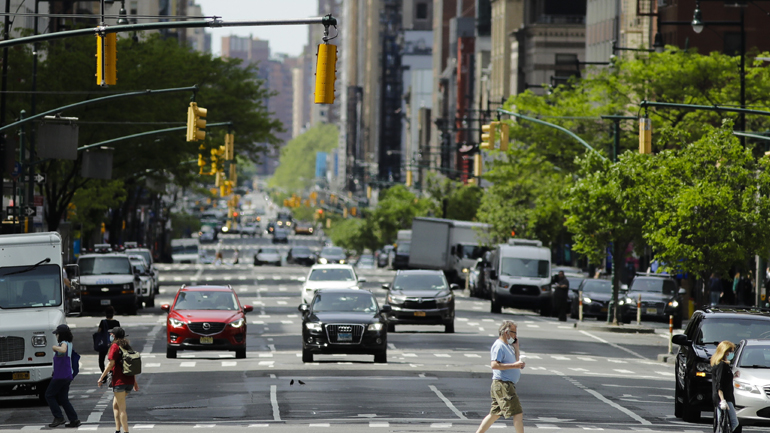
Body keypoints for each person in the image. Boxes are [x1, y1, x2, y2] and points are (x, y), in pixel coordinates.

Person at [475, 320, 526, 433]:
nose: (515, 336)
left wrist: (516, 348)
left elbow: (515, 362)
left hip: (504, 384)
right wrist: (514, 365)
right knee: (517, 412)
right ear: (506, 332)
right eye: (513, 333)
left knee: (495, 414)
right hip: (503, 384)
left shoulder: (507, 346)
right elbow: (494, 365)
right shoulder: (499, 346)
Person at [97, 327, 139, 433]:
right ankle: (117, 430)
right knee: (115, 405)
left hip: (119, 381)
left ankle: (126, 431)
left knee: (122, 408)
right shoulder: (127, 346)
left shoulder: (115, 347)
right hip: (129, 381)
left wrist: (101, 378)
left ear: (114, 336)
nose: (110, 336)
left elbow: (111, 364)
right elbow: (131, 365)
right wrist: (134, 382)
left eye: (111, 334)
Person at [46, 324, 80, 428]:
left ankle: (59, 417)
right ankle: (73, 419)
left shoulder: (63, 343)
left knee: (49, 395)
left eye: (57, 333)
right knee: (63, 398)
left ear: (61, 334)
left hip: (61, 375)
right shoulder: (69, 343)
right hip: (67, 374)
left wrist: (54, 347)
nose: (56, 335)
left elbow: (63, 350)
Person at [711, 340, 739, 433]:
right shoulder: (721, 365)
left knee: (721, 421)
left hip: (723, 397)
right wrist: (723, 400)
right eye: (729, 351)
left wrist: (733, 375)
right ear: (724, 351)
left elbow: (723, 379)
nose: (730, 354)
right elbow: (719, 384)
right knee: (733, 422)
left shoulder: (719, 363)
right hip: (724, 398)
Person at [97, 306, 121, 372]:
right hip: (114, 344)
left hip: (104, 343)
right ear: (113, 313)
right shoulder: (116, 323)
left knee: (101, 360)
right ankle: (112, 372)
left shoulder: (103, 322)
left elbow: (99, 331)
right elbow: (119, 333)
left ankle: (104, 374)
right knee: (114, 359)